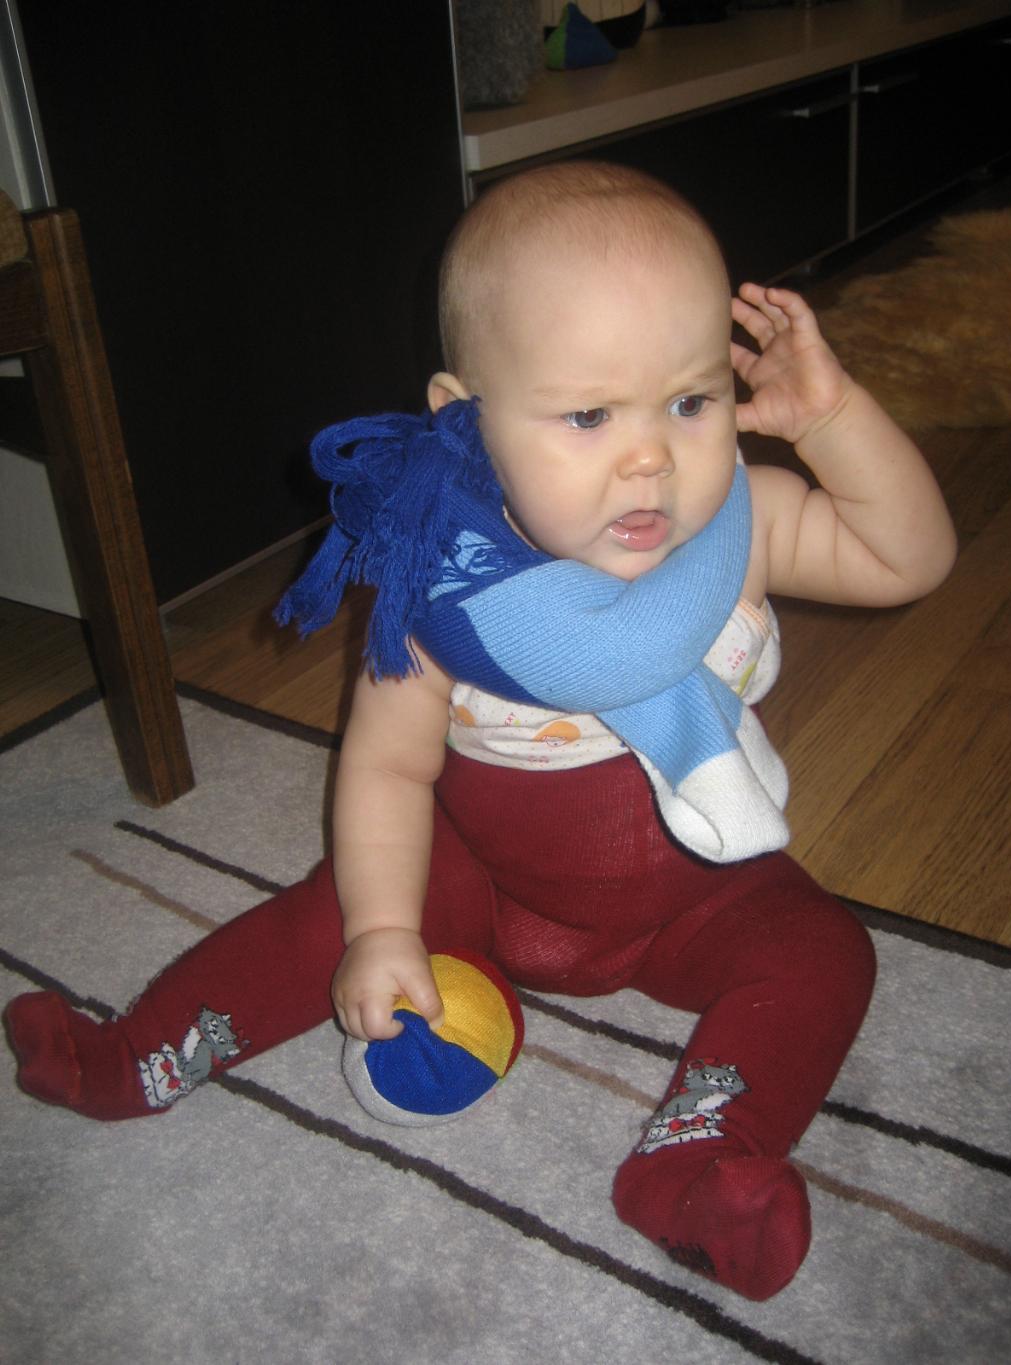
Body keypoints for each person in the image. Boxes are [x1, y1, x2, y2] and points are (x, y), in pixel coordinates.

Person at [4, 162, 956, 1301]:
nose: (650, 457)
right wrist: (383, 928)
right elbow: (387, 770)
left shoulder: (736, 534)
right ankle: (138, 1056)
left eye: (690, 402)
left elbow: (909, 559)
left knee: (824, 951)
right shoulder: (442, 590)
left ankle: (695, 1164)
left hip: (695, 895)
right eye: (589, 414)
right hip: (487, 888)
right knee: (336, 914)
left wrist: (834, 420)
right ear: (465, 417)